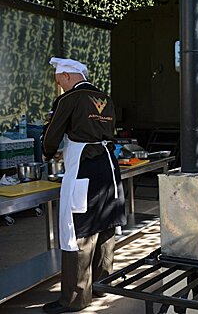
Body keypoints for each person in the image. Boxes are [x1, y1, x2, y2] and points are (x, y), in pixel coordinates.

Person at [42, 57, 126, 313]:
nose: (61, 88)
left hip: (83, 168)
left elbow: (51, 136)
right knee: (105, 223)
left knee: (78, 229)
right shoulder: (105, 99)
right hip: (108, 167)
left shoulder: (69, 100)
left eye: (60, 82)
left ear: (67, 76)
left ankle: (76, 298)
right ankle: (102, 284)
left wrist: (48, 153)